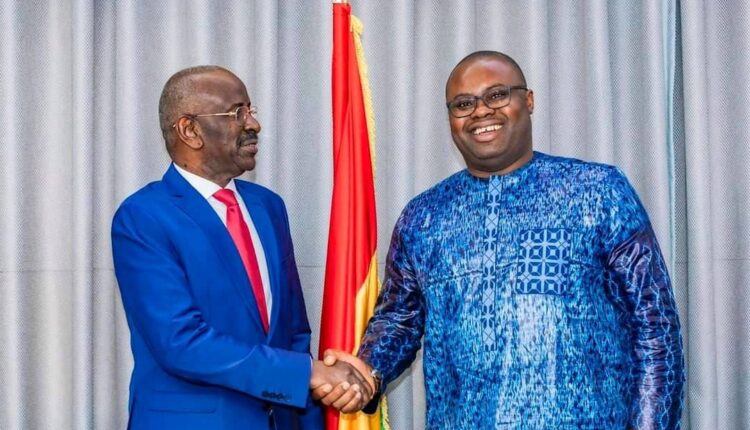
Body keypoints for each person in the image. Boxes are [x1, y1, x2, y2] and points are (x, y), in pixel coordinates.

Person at [321, 51, 685, 429]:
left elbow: (655, 330)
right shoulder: (423, 217)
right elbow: (400, 319)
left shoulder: (599, 191)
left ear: (528, 101)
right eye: (463, 104)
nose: (480, 111)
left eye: (497, 95)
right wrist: (368, 372)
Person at [111, 65, 369, 430]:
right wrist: (307, 374)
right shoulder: (143, 217)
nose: (254, 125)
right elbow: (180, 342)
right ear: (190, 130)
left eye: (250, 110)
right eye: (237, 113)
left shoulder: (268, 207)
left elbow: (294, 331)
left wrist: (313, 396)